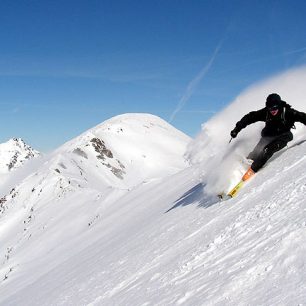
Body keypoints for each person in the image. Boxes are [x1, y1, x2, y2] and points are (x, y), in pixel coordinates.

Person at [230, 93, 306, 181]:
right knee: (255, 154)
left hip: (284, 136)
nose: (272, 110)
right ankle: (241, 169)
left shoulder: (288, 112)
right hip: (268, 136)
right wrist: (237, 128)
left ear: (279, 105)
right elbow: (250, 117)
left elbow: (303, 117)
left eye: (274, 108)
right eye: (270, 108)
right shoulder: (266, 112)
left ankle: (253, 169)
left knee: (267, 150)